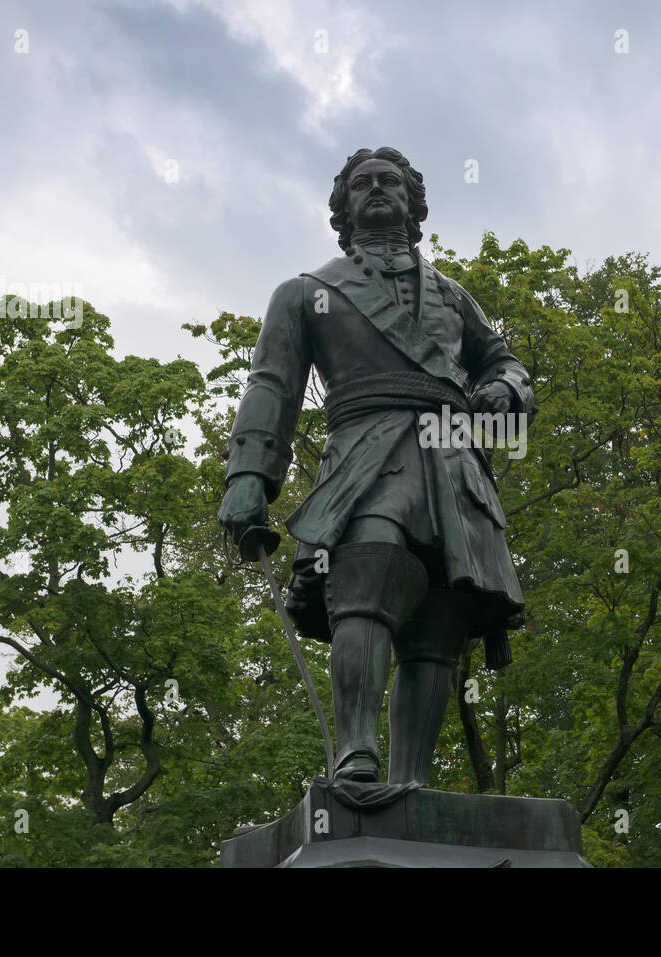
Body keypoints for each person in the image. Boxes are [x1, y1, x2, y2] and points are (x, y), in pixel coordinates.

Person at [218, 147, 536, 786]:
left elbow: (502, 361)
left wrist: (506, 390)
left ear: (414, 203)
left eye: (390, 181)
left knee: (440, 620)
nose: (377, 190)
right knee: (366, 577)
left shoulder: (453, 296)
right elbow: (271, 385)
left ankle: (413, 780)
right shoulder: (305, 293)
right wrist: (249, 477)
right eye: (361, 184)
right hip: (366, 455)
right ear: (343, 208)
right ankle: (356, 754)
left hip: (452, 466)